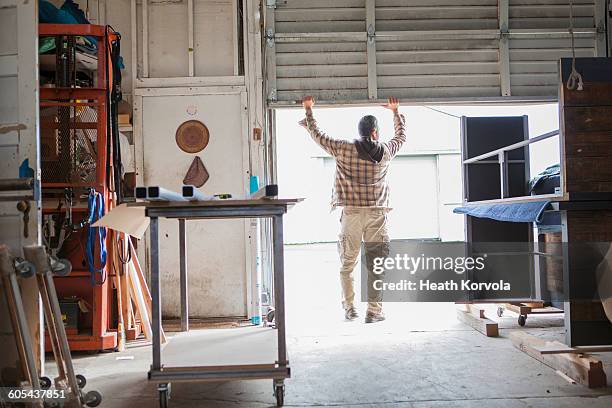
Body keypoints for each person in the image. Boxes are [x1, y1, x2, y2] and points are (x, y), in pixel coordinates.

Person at [299, 96, 406, 323]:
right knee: (375, 265)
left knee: (348, 264)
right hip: (377, 214)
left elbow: (318, 135)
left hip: (351, 215)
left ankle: (350, 309)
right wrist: (395, 112)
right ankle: (374, 311)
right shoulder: (386, 151)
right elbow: (401, 137)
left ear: (360, 132)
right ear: (375, 133)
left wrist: (309, 110)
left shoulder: (343, 149)